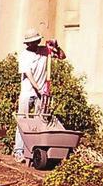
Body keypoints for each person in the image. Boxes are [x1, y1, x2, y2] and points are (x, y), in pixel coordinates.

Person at [13, 28, 66, 162]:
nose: (33, 44)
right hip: (28, 92)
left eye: (35, 41)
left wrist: (56, 47)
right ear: (27, 44)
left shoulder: (45, 51)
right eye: (30, 43)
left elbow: (62, 56)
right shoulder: (24, 55)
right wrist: (38, 88)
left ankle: (34, 149)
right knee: (23, 120)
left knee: (40, 121)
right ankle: (18, 150)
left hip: (41, 94)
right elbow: (29, 74)